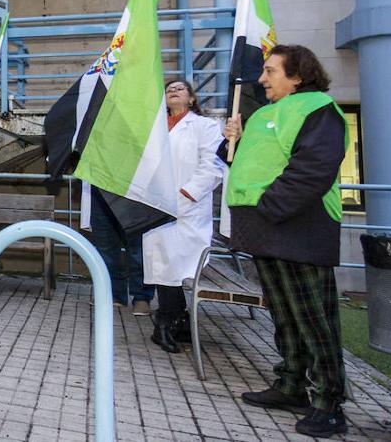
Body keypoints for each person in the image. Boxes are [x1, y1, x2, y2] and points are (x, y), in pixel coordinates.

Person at [223, 45, 349, 438]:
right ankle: (292, 383)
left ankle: (329, 403)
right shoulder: (262, 114)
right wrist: (233, 140)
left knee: (314, 319)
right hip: (264, 227)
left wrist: (268, 206)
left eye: (270, 71)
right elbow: (246, 162)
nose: (262, 79)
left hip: (298, 226)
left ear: (298, 75)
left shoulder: (319, 109)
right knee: (284, 314)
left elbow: (312, 169)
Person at [142, 80, 224, 353]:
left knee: (178, 266)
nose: (173, 91)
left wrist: (187, 194)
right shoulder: (154, 128)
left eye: (180, 88)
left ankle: (170, 321)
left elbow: (212, 166)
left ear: (191, 98)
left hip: (189, 207)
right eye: (168, 89)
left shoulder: (205, 127)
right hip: (156, 205)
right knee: (164, 266)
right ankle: (171, 321)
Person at [84, 181, 153, 314]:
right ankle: (113, 293)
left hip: (135, 183)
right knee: (105, 245)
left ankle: (142, 297)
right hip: (100, 182)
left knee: (138, 246)